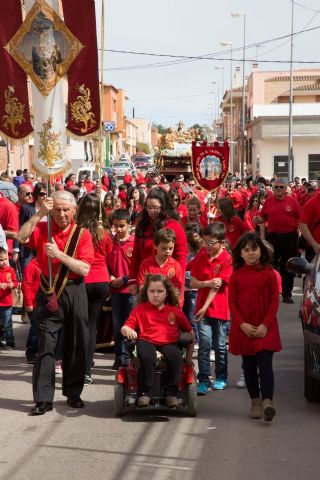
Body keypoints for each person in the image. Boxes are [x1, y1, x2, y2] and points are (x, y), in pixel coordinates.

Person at [16, 190, 94, 415]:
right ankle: (43, 398)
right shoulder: (43, 228)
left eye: (65, 210)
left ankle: (73, 392)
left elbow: (84, 268)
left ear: (74, 210)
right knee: (45, 347)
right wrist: (40, 212)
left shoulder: (82, 234)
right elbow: (21, 237)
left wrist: (59, 255)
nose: (61, 214)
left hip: (74, 291)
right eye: (57, 210)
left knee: (76, 343)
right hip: (48, 291)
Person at [228, 233, 282, 421]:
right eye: (247, 250)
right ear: (240, 254)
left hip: (265, 328)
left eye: (255, 249)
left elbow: (275, 300)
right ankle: (255, 402)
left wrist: (265, 324)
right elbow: (232, 303)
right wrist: (241, 324)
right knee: (249, 367)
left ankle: (268, 401)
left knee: (265, 363)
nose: (251, 253)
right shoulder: (235, 276)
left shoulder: (269, 273)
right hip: (245, 329)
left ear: (261, 250)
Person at [121, 274, 194, 408]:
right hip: (146, 340)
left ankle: (170, 393)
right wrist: (128, 330)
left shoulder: (174, 311)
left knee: (176, 356)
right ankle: (145, 393)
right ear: (146, 292)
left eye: (159, 291)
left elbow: (190, 333)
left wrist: (188, 358)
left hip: (169, 342)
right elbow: (125, 327)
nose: (155, 295)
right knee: (148, 357)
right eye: (152, 291)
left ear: (167, 293)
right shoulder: (140, 310)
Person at [190, 222, 233, 394]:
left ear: (221, 242)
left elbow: (218, 287)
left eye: (211, 243)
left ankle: (221, 377)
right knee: (205, 344)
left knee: (220, 345)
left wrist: (205, 302)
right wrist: (206, 282)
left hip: (220, 309)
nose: (207, 246)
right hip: (202, 309)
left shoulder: (227, 259)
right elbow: (193, 282)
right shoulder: (202, 257)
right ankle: (204, 379)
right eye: (205, 241)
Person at [76, 193, 113, 385]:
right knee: (92, 326)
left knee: (80, 327)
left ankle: (81, 368)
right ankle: (87, 369)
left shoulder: (78, 230)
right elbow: (108, 253)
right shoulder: (104, 231)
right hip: (101, 280)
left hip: (82, 279)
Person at [129, 188, 187, 292]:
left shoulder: (175, 227)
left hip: (168, 283)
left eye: (155, 207)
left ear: (164, 207)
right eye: (148, 207)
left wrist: (179, 285)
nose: (151, 211)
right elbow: (136, 255)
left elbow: (181, 258)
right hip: (145, 281)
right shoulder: (142, 226)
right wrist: (132, 280)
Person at [254, 179, 301, 304]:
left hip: (289, 237)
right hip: (273, 237)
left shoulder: (293, 201)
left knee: (288, 266)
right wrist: (257, 220)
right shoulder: (268, 202)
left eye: (281, 187)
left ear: (286, 189)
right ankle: (271, 293)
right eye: (276, 187)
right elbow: (262, 219)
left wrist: (301, 235)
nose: (278, 189)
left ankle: (287, 294)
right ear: (273, 189)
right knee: (270, 266)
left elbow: (300, 219)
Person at [107, 209, 135, 369]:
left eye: (121, 226)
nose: (118, 229)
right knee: (117, 326)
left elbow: (138, 267)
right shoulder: (111, 242)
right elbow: (106, 263)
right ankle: (120, 357)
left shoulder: (134, 243)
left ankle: (130, 358)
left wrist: (124, 280)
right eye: (115, 226)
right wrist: (110, 276)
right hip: (116, 292)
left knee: (130, 326)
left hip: (130, 291)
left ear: (129, 225)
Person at [137, 228, 183, 297]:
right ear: (155, 246)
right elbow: (141, 286)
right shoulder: (146, 264)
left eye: (171, 248)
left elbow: (177, 289)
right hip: (150, 304)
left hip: (168, 305)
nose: (168, 251)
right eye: (164, 248)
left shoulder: (176, 266)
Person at [183, 228, 202, 349]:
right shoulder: (186, 256)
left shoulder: (194, 257)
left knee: (191, 317)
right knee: (185, 317)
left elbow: (190, 276)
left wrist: (185, 285)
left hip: (192, 292)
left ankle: (196, 340)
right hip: (185, 291)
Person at [21, 258, 40, 363]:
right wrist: (28, 303)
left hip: (44, 304)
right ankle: (31, 353)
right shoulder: (31, 266)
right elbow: (26, 285)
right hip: (33, 304)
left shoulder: (47, 265)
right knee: (35, 329)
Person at [0, 247, 18, 350]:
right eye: (1, 260)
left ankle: (10, 342)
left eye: (5, 259)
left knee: (7, 324)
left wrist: (12, 285)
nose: (4, 262)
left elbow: (15, 282)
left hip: (6, 302)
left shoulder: (10, 270)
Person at [299, 188, 320, 262]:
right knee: (314, 273)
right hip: (315, 248)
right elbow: (303, 226)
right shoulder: (312, 203)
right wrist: (314, 245)